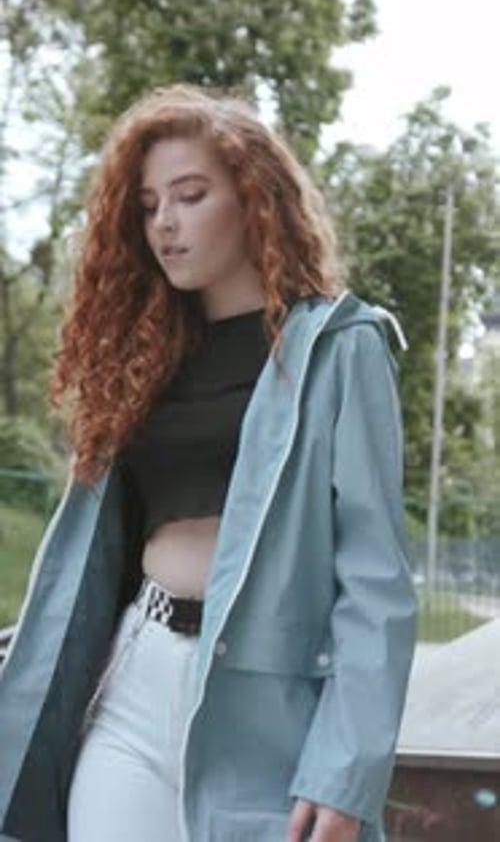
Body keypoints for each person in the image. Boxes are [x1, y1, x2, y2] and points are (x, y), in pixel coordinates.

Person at [0, 84, 417, 842]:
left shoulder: (338, 348)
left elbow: (375, 582)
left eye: (190, 196)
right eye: (149, 205)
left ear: (254, 199)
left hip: (266, 715)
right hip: (135, 679)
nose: (165, 222)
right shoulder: (141, 359)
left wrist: (345, 771)